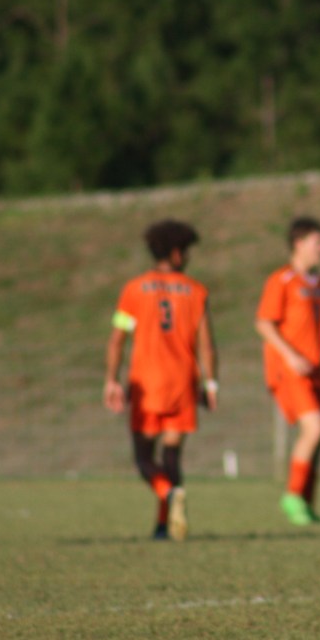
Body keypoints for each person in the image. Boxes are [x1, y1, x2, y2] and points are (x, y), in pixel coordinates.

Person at [104, 220, 217, 542]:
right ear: (177, 253)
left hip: (148, 383)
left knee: (143, 459)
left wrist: (112, 380)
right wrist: (212, 384)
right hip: (183, 384)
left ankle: (167, 494)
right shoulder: (196, 292)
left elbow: (117, 339)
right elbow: (207, 344)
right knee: (171, 457)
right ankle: (165, 524)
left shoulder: (134, 289)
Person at [256, 217, 320, 526]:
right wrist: (290, 355)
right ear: (298, 244)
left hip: (315, 370)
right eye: (318, 242)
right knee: (313, 428)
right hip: (289, 369)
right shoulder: (282, 280)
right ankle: (291, 496)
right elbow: (263, 323)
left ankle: (306, 502)